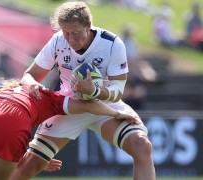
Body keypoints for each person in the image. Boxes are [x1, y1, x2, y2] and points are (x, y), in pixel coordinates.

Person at [11, 1, 156, 179]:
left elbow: (118, 90)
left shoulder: (111, 43)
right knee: (29, 165)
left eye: (75, 33)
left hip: (104, 105)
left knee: (142, 146)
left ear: (88, 26)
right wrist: (32, 84)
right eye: (66, 33)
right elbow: (29, 75)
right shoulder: (58, 40)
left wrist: (94, 91)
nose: (70, 39)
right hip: (69, 106)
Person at [0, 78, 139, 180]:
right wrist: (115, 113)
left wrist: (24, 156)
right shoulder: (49, 96)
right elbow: (88, 105)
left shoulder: (7, 90)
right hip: (12, 116)